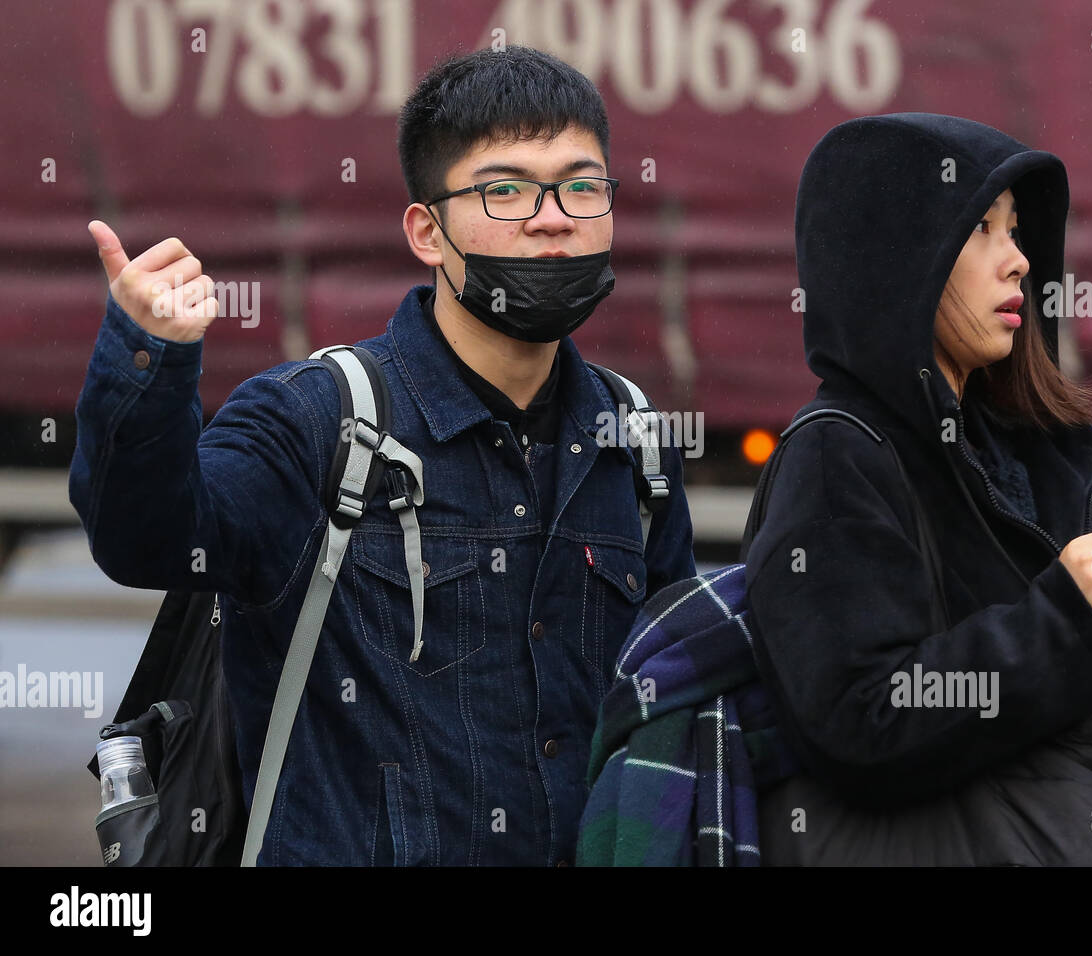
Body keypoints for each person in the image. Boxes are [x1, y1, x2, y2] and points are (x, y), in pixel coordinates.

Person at [69, 46, 695, 866]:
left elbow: (674, 702)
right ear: (426, 233)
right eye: (504, 190)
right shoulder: (315, 421)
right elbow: (143, 541)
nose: (553, 216)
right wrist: (148, 356)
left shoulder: (634, 437)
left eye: (581, 185)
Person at [745, 113, 1092, 866]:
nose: (1018, 262)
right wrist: (1063, 617)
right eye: (982, 229)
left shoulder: (1019, 451)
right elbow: (860, 726)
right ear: (895, 255)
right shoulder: (838, 455)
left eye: (1016, 231)